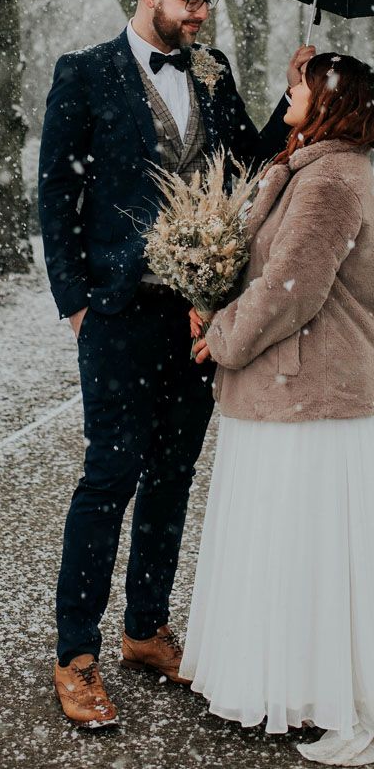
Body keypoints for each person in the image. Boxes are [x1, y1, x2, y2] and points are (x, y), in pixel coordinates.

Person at [38, 0, 312, 728]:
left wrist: (290, 99)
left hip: (198, 315)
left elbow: (252, 161)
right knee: (109, 478)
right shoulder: (84, 74)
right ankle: (76, 655)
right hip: (119, 313)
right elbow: (56, 192)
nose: (200, 14)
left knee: (172, 475)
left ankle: (145, 630)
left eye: (206, 3)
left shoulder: (213, 69)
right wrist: (77, 300)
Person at [183, 52, 374, 767]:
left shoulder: (332, 180)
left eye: (299, 86)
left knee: (312, 551)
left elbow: (293, 287)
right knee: (287, 547)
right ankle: (293, 684)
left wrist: (222, 336)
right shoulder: (307, 167)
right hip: (285, 389)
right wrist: (209, 298)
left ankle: (341, 702)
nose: (287, 93)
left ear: (329, 101)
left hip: (311, 392)